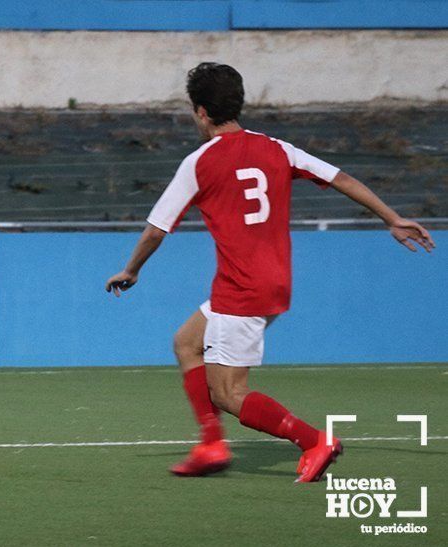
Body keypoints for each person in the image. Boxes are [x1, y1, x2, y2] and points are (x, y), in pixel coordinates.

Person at [105, 63, 435, 482]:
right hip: (274, 282)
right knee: (187, 342)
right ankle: (210, 443)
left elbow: (156, 230)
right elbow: (341, 177)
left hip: (240, 288)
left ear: (201, 112)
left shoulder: (199, 162)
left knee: (228, 393)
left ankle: (314, 440)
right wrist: (392, 217)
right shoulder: (278, 148)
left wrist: (131, 270)